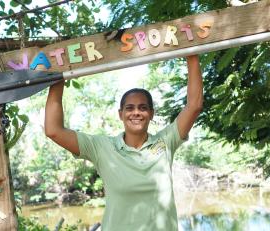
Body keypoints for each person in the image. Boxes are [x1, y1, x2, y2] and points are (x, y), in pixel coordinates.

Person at [44, 55, 203, 231]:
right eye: (130, 108)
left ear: (151, 113)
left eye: (142, 108)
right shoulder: (101, 148)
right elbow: (53, 130)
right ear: (120, 114)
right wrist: (57, 77)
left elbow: (194, 106)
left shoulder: (166, 141)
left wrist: (192, 54)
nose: (136, 112)